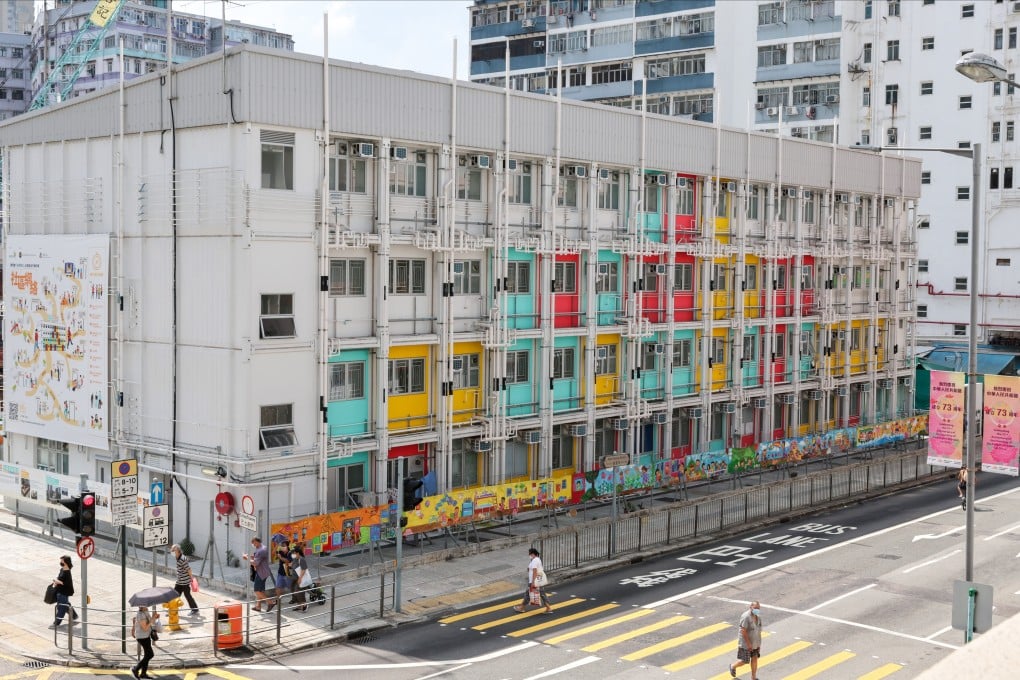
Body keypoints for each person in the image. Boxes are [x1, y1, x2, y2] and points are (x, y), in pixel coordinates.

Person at [729, 600, 763, 680]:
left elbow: (759, 631)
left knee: (754, 658)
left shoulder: (758, 617)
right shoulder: (746, 616)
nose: (757, 610)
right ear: (751, 607)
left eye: (758, 608)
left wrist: (758, 645)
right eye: (755, 608)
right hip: (746, 644)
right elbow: (743, 631)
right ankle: (733, 666)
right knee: (745, 661)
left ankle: (753, 677)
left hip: (755, 643)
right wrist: (748, 644)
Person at [513, 547, 551, 614]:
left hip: (534, 581)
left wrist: (533, 582)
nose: (529, 556)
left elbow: (535, 571)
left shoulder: (534, 560)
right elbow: (532, 569)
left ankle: (521, 608)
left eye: (530, 554)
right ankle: (548, 607)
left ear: (533, 554)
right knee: (542, 594)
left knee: (528, 594)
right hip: (538, 581)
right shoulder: (537, 559)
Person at [242, 537, 275, 612]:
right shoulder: (262, 548)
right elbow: (257, 557)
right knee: (261, 590)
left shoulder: (261, 550)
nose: (253, 545)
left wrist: (247, 558)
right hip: (263, 571)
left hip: (261, 572)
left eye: (253, 543)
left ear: (257, 542)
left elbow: (255, 563)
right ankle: (258, 606)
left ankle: (270, 602)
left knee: (257, 591)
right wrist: (250, 556)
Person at [170, 544, 200, 616]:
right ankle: (173, 610)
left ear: (178, 551)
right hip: (180, 581)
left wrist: (191, 578)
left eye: (173, 550)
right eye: (172, 550)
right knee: (175, 595)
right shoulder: (178, 557)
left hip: (184, 582)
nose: (172, 551)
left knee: (187, 595)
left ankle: (195, 609)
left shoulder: (182, 559)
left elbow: (189, 569)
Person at [50, 555, 78, 628]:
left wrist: (56, 581)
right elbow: (60, 578)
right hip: (60, 591)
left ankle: (56, 624)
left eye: (62, 561)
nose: (60, 562)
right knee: (65, 604)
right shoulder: (62, 569)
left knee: (61, 608)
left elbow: (63, 582)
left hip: (64, 592)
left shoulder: (67, 571)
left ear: (65, 562)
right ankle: (74, 616)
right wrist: (56, 581)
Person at [131, 604, 158, 678]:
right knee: (150, 654)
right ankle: (135, 668)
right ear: (141, 607)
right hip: (142, 637)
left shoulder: (146, 611)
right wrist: (152, 619)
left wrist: (155, 618)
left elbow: (150, 623)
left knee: (147, 654)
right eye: (145, 606)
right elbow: (145, 628)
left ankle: (143, 673)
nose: (147, 606)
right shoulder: (140, 615)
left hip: (146, 635)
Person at [290, 543, 309, 612]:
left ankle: (304, 606)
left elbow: (304, 569)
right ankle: (299, 606)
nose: (293, 554)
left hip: (300, 579)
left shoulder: (302, 559)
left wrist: (300, 578)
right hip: (295, 578)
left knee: (300, 592)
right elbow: (293, 565)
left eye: (294, 553)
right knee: (295, 592)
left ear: (298, 553)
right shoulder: (295, 559)